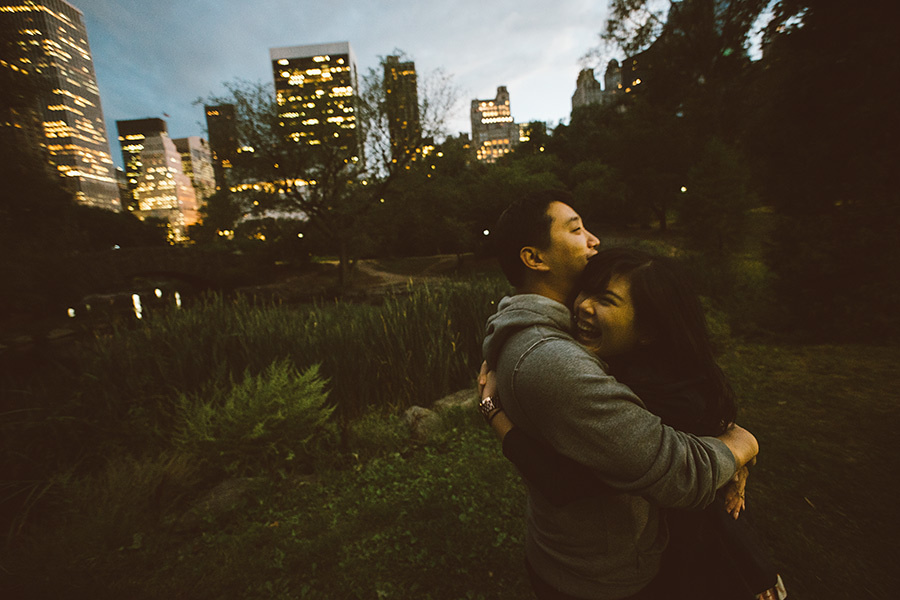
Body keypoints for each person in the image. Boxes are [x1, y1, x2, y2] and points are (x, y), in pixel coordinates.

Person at [479, 191, 759, 600]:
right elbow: (681, 473)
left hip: (574, 551)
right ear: (534, 258)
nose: (594, 240)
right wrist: (742, 442)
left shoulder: (533, 330)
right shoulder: (556, 362)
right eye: (577, 230)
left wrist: (493, 415)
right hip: (604, 578)